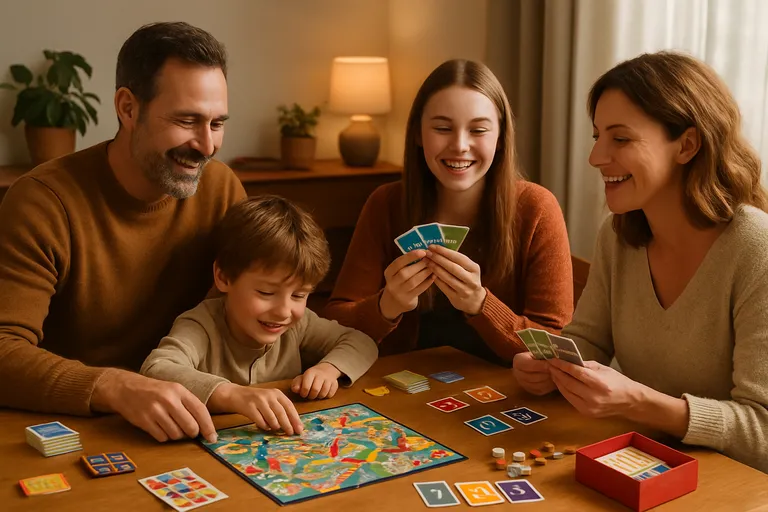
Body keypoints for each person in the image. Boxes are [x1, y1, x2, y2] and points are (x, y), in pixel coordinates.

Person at [512, 51, 768, 472]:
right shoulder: (619, 234)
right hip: (642, 464)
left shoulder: (754, 249)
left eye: (621, 138)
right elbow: (590, 342)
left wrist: (638, 400)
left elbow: (761, 431)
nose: (596, 157)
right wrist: (550, 367)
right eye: (597, 136)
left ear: (686, 145)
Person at [0, 22, 246, 444]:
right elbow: (3, 350)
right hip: (79, 429)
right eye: (187, 120)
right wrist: (113, 387)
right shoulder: (42, 202)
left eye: (217, 123)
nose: (207, 146)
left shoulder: (222, 189)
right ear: (128, 108)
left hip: (194, 421)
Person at [324, 59, 573, 364]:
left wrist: (480, 304)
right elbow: (333, 325)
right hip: (399, 389)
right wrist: (387, 305)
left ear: (501, 137)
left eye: (478, 130)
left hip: (505, 396)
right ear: (417, 134)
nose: (460, 145)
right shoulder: (386, 203)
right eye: (442, 128)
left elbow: (552, 347)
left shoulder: (537, 209)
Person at [141, 196, 378, 436]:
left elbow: (361, 341)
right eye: (266, 292)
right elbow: (156, 368)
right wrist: (233, 394)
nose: (283, 311)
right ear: (223, 278)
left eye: (299, 295)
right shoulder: (201, 325)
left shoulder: (300, 323)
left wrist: (329, 369)